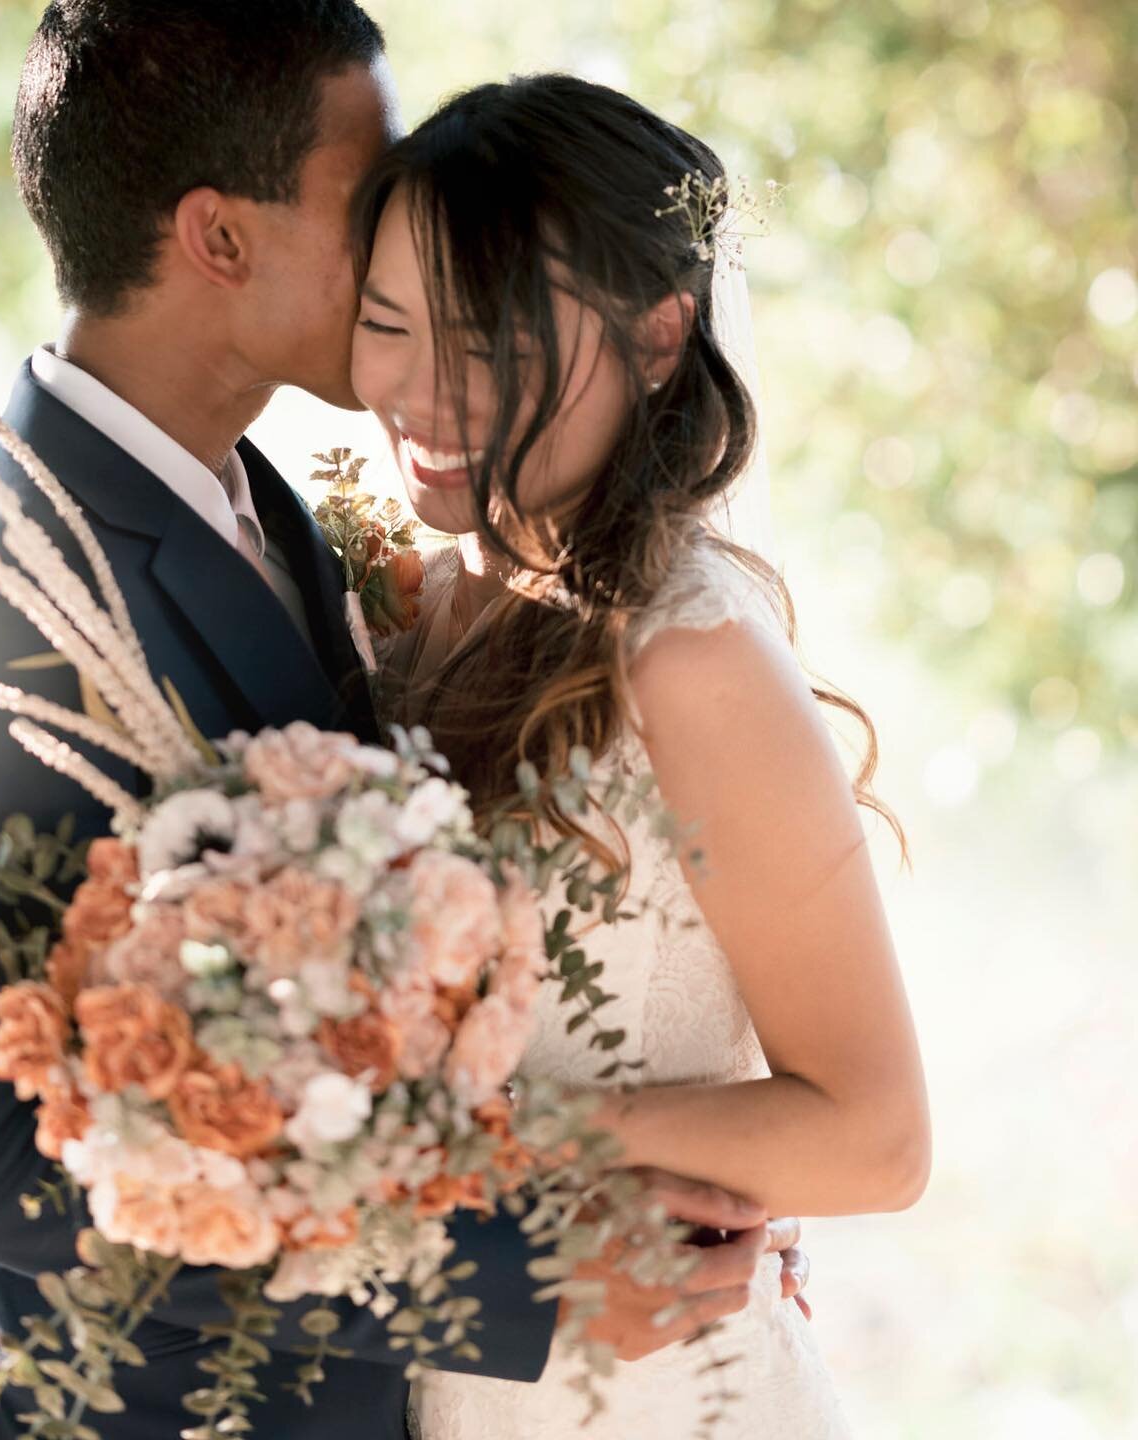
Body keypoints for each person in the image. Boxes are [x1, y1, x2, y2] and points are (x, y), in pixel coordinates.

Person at [0, 6, 806, 1438]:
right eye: (373, 201)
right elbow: (14, 1186)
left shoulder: (282, 514)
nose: (418, 237)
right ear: (222, 240)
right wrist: (515, 1279)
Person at [349, 73, 931, 1437]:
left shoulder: (692, 657)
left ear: (661, 334)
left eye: (485, 341)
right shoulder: (404, 609)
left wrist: (476, 1151)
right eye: (385, 324)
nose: (418, 392)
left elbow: (877, 1134)